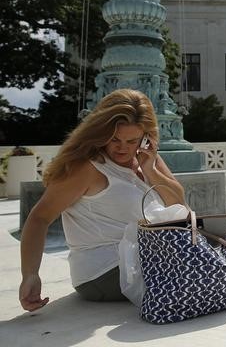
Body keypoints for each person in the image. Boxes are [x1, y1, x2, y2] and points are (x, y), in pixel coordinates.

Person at [19, 89, 185, 311]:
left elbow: (179, 203)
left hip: (143, 260)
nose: (122, 147)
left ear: (145, 138)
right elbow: (39, 217)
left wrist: (150, 170)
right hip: (102, 272)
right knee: (199, 268)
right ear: (100, 132)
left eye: (132, 140)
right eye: (114, 138)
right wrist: (30, 274)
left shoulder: (147, 158)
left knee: (205, 256)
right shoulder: (86, 168)